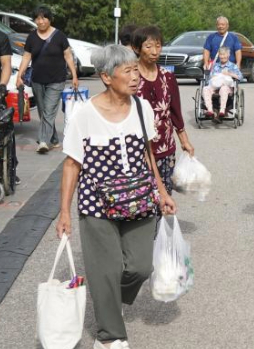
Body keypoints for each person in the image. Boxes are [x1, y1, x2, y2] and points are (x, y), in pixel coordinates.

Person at [56, 44, 177, 349]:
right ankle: (110, 336)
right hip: (97, 205)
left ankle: (109, 299)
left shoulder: (142, 108)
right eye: (128, 71)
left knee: (140, 267)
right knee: (105, 270)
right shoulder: (84, 115)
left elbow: (149, 154)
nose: (136, 76)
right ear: (107, 77)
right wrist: (65, 212)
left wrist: (162, 191)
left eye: (137, 69)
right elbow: (71, 165)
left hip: (139, 200)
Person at [133, 26, 194, 194]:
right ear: (136, 48)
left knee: (164, 193)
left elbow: (175, 111)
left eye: (158, 46)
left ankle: (161, 221)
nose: (154, 51)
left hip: (165, 147)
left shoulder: (167, 77)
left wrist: (184, 141)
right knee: (141, 196)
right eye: (148, 46)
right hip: (137, 149)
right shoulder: (130, 76)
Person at [16, 6, 78, 154]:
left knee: (49, 111)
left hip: (56, 79)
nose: (41, 21)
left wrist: (74, 75)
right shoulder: (32, 37)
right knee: (44, 111)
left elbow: (68, 56)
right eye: (37, 18)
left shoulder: (60, 36)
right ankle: (54, 139)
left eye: (44, 18)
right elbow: (26, 56)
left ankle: (43, 141)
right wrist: (20, 74)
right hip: (37, 79)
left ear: (50, 19)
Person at [203, 46, 243, 120]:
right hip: (215, 87)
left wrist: (229, 74)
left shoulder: (233, 66)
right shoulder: (215, 66)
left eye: (224, 54)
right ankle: (210, 110)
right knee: (205, 88)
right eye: (221, 54)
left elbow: (240, 77)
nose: (222, 56)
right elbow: (209, 79)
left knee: (223, 88)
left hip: (227, 88)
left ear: (228, 55)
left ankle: (222, 110)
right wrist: (214, 77)